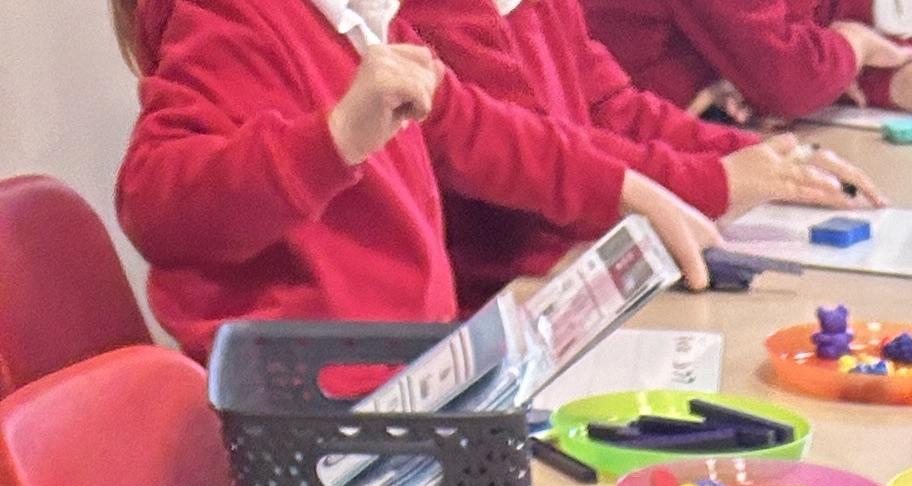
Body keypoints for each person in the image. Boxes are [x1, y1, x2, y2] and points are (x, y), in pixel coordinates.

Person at [114, 0, 719, 361]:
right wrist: (334, 140)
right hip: (316, 414)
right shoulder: (234, 16)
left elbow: (480, 130)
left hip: (406, 379)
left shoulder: (368, 20)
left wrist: (626, 189)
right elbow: (153, 202)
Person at [397, 0, 875, 311]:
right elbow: (532, 164)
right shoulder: (436, 14)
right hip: (510, 293)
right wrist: (712, 181)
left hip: (564, 267)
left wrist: (759, 158)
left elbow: (612, 106)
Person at [588, 0, 912, 126]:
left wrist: (872, 73)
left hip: (687, 138)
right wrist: (855, 49)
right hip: (623, 152)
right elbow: (789, 77)